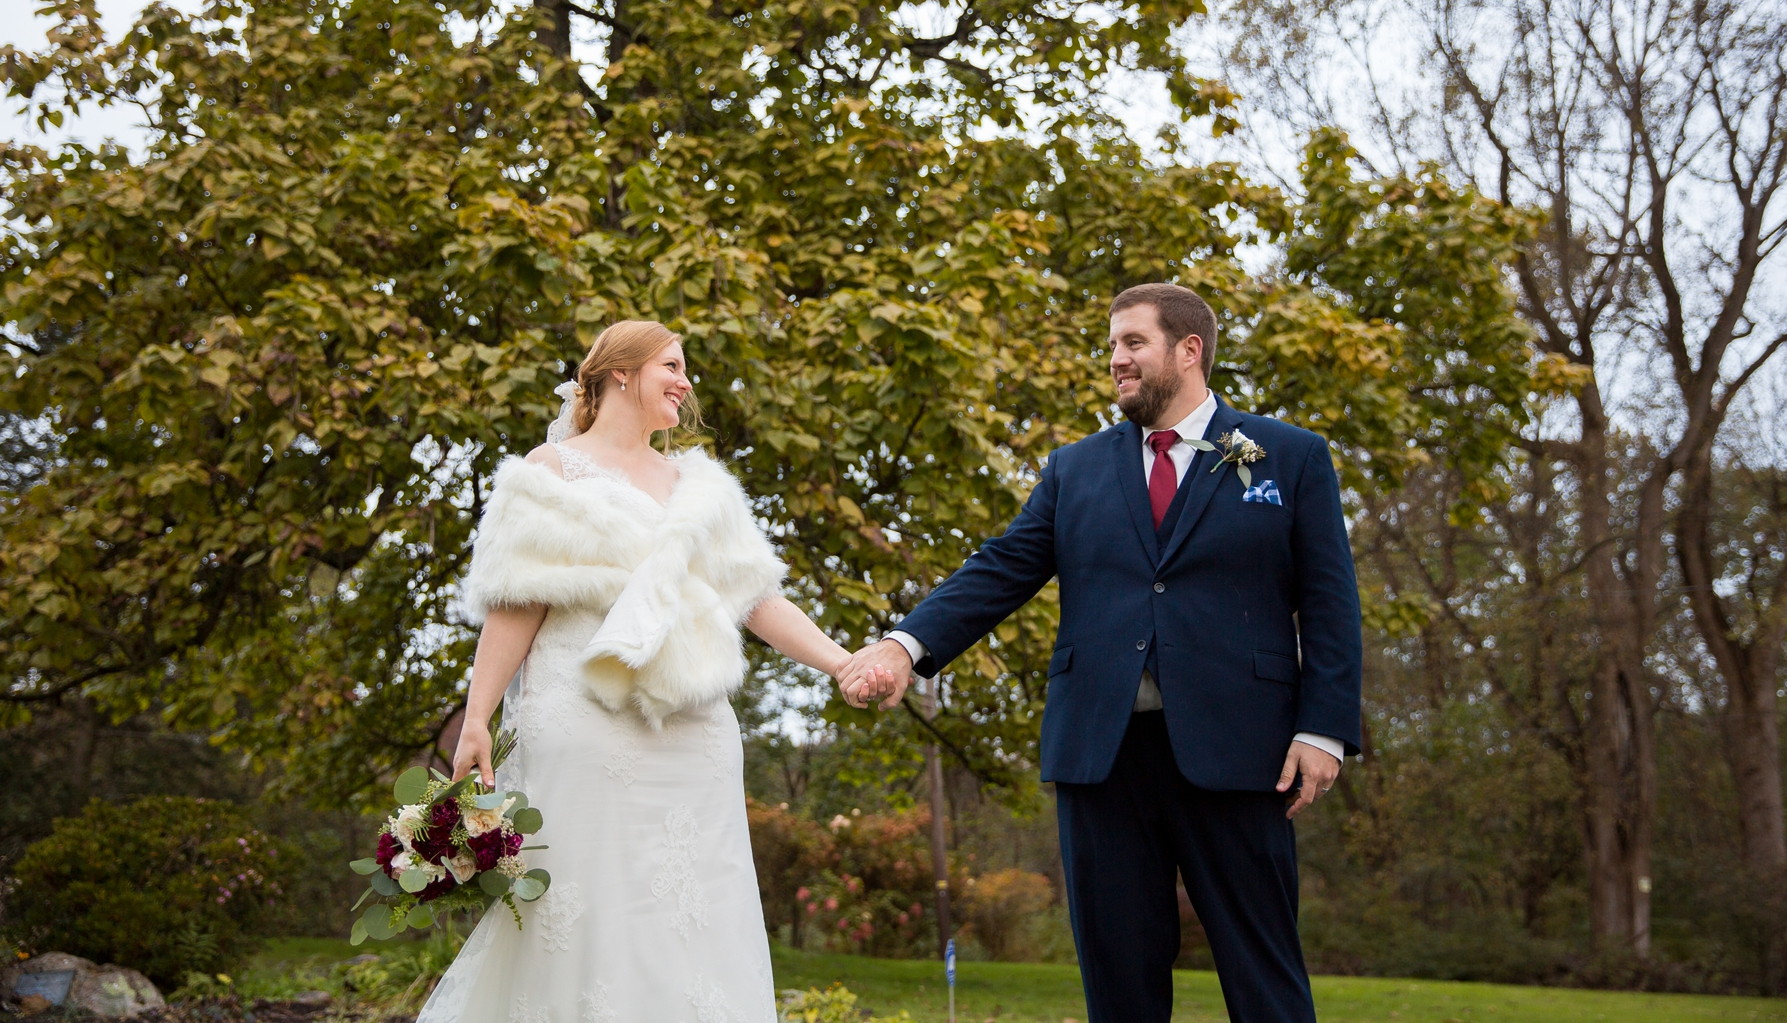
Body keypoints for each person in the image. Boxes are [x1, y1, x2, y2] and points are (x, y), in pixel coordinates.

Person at [840, 283, 1362, 1023]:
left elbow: (1332, 601)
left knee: (1266, 979)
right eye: (1112, 345)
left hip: (1242, 753)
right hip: (1102, 758)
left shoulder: (1291, 457)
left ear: (1190, 350)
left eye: (1133, 343)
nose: (1116, 360)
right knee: (1118, 990)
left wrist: (1324, 728)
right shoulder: (1073, 468)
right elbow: (1001, 567)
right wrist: (902, 646)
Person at [418, 319, 890, 1023]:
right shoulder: (548, 473)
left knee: (695, 908)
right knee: (586, 904)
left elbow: (757, 598)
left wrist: (842, 660)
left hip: (693, 736)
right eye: (671, 364)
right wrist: (478, 717)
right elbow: (515, 602)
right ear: (620, 373)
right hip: (586, 727)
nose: (684, 379)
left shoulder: (698, 488)